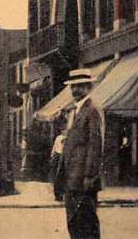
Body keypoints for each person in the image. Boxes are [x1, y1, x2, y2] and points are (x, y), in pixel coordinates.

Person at [61, 68, 102, 239]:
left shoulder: (92, 111)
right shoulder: (76, 111)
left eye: (80, 86)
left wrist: (89, 177)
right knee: (74, 224)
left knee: (86, 224)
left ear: (88, 87)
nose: (75, 90)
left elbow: (95, 146)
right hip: (72, 179)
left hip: (83, 180)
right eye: (73, 87)